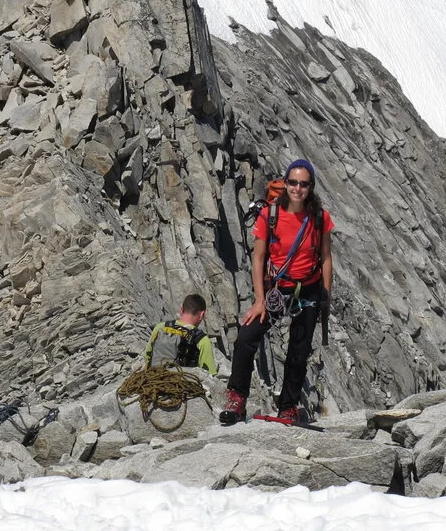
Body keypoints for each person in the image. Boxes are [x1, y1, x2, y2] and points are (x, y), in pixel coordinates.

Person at [220, 159, 334, 424]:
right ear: (285, 183)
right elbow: (258, 258)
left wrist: (325, 297)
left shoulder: (319, 218)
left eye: (303, 184)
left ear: (311, 186)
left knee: (299, 350)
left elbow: (326, 258)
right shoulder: (270, 215)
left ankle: (288, 406)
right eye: (292, 182)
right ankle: (237, 399)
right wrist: (260, 300)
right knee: (246, 338)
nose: (297, 188)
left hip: (309, 290)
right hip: (277, 290)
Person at [143, 293, 217, 373]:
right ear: (202, 315)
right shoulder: (202, 340)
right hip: (181, 384)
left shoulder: (160, 327)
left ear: (181, 310)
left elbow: (147, 356)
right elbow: (210, 375)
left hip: (153, 381)